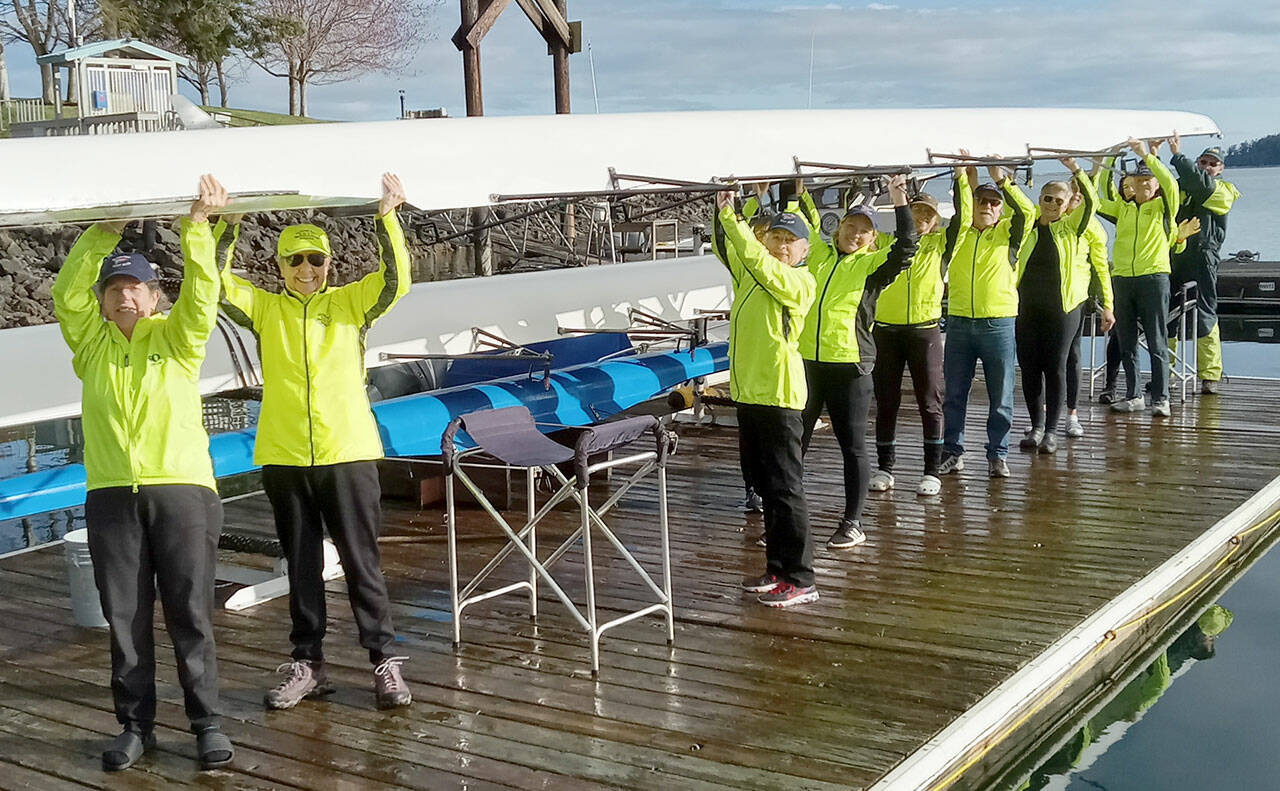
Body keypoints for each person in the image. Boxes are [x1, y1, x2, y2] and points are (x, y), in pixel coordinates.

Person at [52, 175, 234, 771]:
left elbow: (203, 297)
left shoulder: (179, 340)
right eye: (115, 289)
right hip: (111, 494)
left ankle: (205, 723)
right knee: (124, 619)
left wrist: (197, 229)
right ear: (103, 301)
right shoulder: (91, 346)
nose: (124, 297)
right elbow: (65, 295)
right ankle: (135, 726)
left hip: (182, 490)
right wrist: (103, 230)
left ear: (156, 297)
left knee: (189, 611)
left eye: (136, 288)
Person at [219, 173, 414, 709]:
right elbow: (215, 284)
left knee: (361, 561)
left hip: (347, 451)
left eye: (315, 260)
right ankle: (308, 665)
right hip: (284, 455)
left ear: (329, 264)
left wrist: (386, 218)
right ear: (279, 267)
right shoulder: (264, 310)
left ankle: (384, 663)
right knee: (300, 563)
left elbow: (396, 282)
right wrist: (228, 227)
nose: (306, 270)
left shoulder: (353, 304)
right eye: (294, 261)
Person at [796, 174, 918, 547]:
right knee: (794, 442)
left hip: (850, 367)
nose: (855, 233)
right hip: (807, 364)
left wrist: (900, 200)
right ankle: (785, 519)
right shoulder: (817, 253)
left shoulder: (872, 266)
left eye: (864, 230)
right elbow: (800, 221)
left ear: (872, 239)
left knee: (852, 446)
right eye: (851, 225)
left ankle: (852, 522)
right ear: (839, 227)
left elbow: (907, 246)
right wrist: (797, 190)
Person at [714, 189, 818, 608]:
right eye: (775, 238)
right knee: (766, 487)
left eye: (789, 241)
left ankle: (801, 577)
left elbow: (750, 255)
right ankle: (777, 568)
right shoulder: (754, 277)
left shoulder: (799, 281)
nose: (780, 246)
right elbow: (732, 250)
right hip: (751, 394)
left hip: (779, 394)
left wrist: (732, 218)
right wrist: (721, 211)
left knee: (786, 488)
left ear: (804, 250)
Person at [869, 161, 972, 497]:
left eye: (928, 216)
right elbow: (854, 218)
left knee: (930, 401)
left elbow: (964, 217)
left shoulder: (942, 245)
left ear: (935, 221)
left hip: (924, 332)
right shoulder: (886, 242)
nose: (921, 220)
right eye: (916, 213)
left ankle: (931, 471)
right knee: (887, 400)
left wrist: (960, 177)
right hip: (885, 330)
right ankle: (885, 467)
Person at [939, 159, 1036, 479]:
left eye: (994, 203)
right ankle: (953, 450)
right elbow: (960, 206)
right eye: (982, 200)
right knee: (954, 392)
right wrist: (962, 178)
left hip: (999, 324)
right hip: (960, 323)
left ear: (1000, 208)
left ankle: (998, 454)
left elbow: (1027, 212)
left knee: (1001, 393)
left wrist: (1004, 182)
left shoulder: (1010, 233)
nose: (988, 206)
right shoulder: (960, 232)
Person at [1014, 159, 1112, 454]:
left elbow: (1092, 202)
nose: (1053, 204)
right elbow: (1013, 200)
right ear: (1040, 200)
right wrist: (1003, 177)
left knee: (1058, 364)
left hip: (1065, 306)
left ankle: (1054, 429)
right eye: (1047, 198)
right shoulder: (1028, 226)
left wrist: (1078, 171)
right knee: (1029, 367)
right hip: (1027, 306)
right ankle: (1036, 426)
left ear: (1070, 203)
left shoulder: (1075, 228)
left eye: (1059, 200)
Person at [1095, 138, 1181, 416]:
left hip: (1153, 278)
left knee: (1157, 340)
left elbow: (1171, 184)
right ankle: (1133, 395)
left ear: (1155, 184)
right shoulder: (1123, 209)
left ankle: (1161, 398)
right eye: (1138, 180)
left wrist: (1146, 154)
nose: (1143, 184)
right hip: (1123, 279)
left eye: (1148, 180)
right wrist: (1108, 159)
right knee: (1127, 341)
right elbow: (1097, 197)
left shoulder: (1163, 207)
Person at [1167, 132, 1241, 394]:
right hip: (1176, 254)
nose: (1208, 167)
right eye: (1203, 162)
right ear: (1197, 163)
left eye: (1213, 163)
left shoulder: (1224, 190)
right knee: (1168, 316)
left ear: (1221, 169)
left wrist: (1177, 156)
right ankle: (1167, 372)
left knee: (1205, 314)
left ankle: (1210, 375)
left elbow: (1202, 187)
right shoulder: (1180, 185)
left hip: (1204, 258)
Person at [1062, 171, 1115, 437]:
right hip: (1043, 299)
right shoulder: (1051, 219)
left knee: (1072, 355)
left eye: (1082, 193)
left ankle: (1072, 413)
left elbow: (1102, 267)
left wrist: (1108, 304)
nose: (1077, 197)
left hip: (1075, 299)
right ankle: (1045, 416)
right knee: (1045, 359)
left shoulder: (1093, 227)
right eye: (1073, 193)